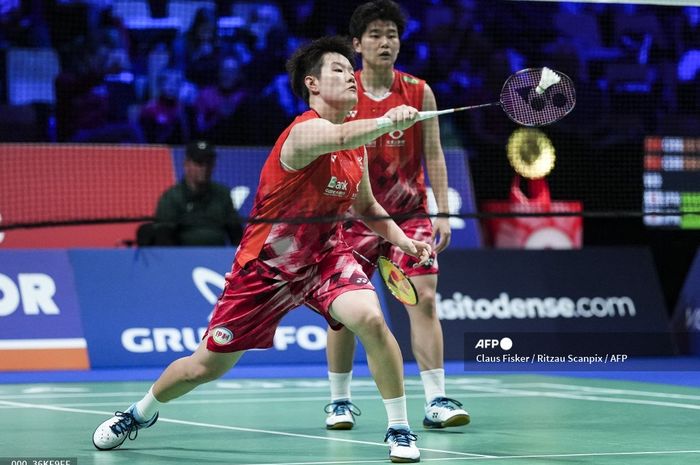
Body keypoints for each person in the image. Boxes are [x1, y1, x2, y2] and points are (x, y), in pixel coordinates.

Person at [92, 36, 430, 463]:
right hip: (266, 268)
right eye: (339, 69)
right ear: (312, 83)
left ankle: (398, 427)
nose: (351, 75)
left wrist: (404, 240)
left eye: (351, 70)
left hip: (325, 257)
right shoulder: (304, 133)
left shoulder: (355, 148)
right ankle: (139, 413)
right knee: (205, 367)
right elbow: (342, 132)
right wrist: (388, 120)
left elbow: (366, 207)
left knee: (370, 319)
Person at [323, 0, 470, 431]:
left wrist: (441, 210)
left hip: (409, 214)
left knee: (424, 296)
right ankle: (339, 400)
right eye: (375, 35)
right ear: (357, 45)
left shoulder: (419, 91)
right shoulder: (346, 93)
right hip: (354, 216)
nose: (385, 42)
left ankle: (437, 399)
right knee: (343, 311)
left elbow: (434, 154)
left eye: (391, 34)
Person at [147, 140, 243, 246]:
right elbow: (163, 236)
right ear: (186, 164)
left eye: (209, 162)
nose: (204, 168)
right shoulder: (172, 197)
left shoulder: (223, 194)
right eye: (199, 162)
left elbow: (236, 233)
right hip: (182, 257)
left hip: (218, 257)